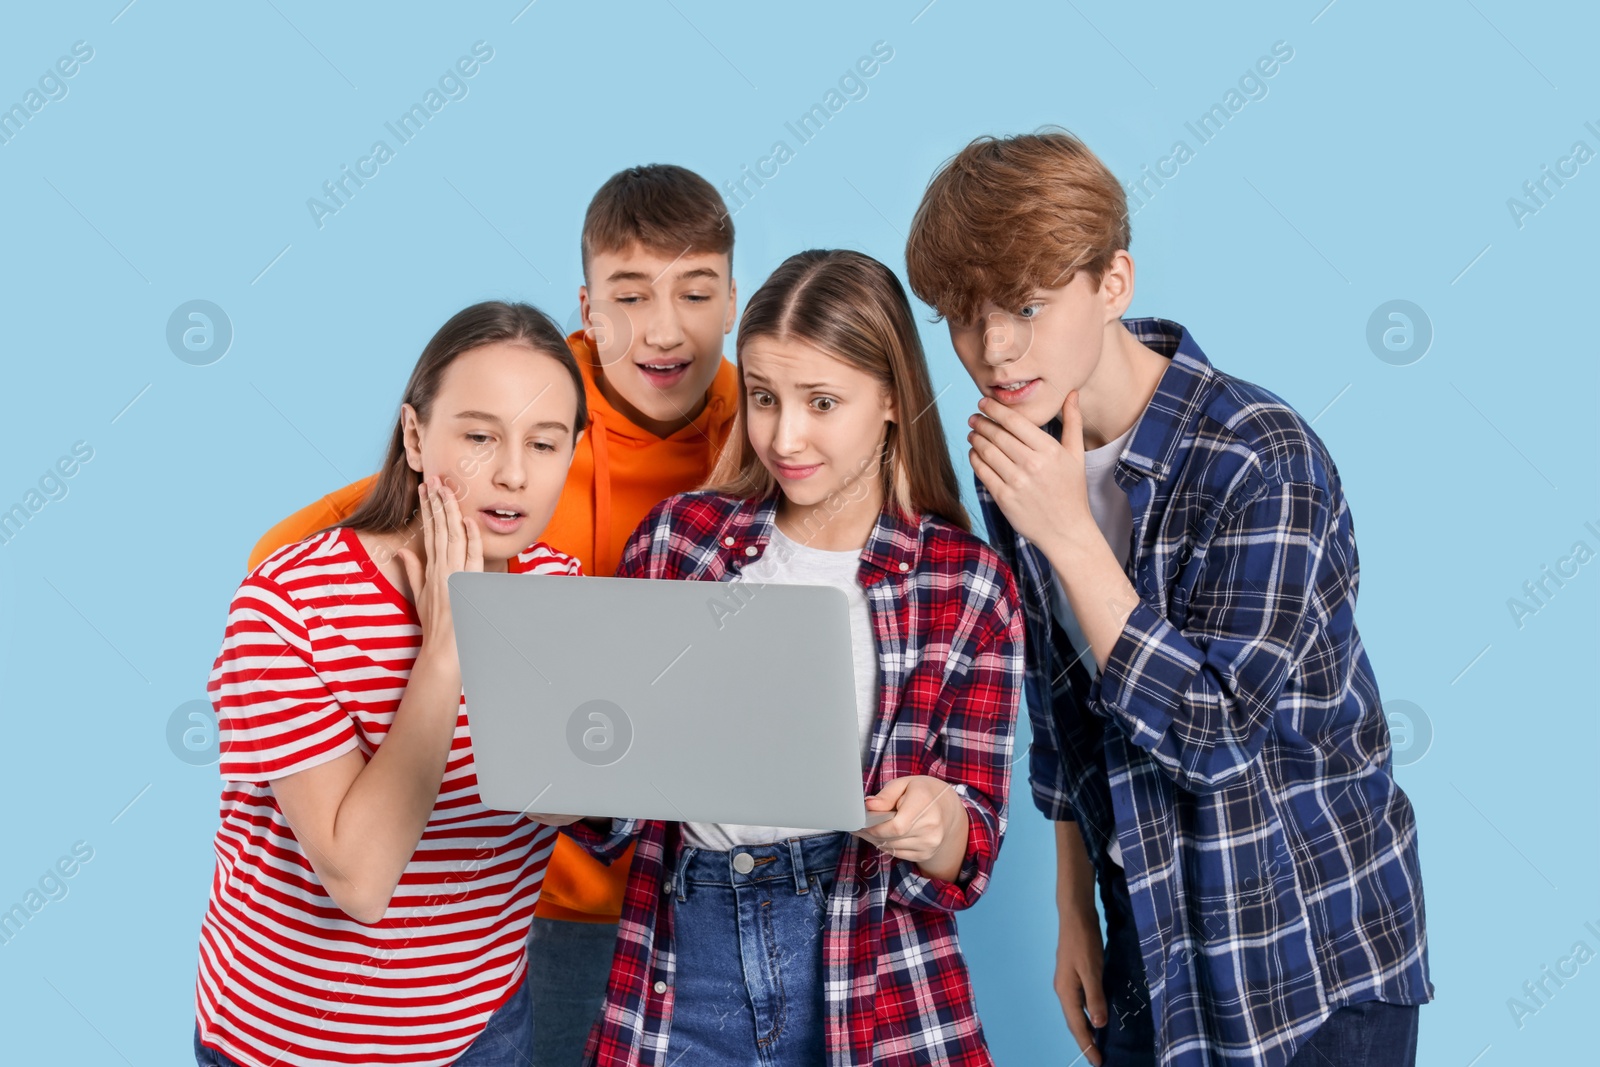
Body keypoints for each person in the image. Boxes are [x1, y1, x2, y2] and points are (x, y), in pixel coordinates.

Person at [904, 130, 1432, 1067]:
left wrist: (1067, 530)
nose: (992, 348)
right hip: (1149, 929)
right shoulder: (1019, 448)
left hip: (1309, 947)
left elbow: (1215, 735)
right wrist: (1073, 912)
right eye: (965, 314)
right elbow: (1059, 708)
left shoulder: (1260, 456)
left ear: (1114, 284)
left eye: (1027, 305)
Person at [239, 164, 740, 1065]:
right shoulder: (531, 389)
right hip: (498, 932)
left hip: (583, 926)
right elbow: (359, 873)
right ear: (589, 306)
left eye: (696, 293)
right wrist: (388, 614)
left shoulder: (764, 430)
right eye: (631, 297)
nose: (515, 473)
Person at [566, 249, 1024, 1067]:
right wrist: (566, 782)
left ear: (890, 397)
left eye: (822, 402)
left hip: (876, 963)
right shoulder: (680, 544)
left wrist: (935, 821)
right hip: (684, 956)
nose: (784, 435)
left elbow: (975, 838)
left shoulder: (966, 584)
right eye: (765, 398)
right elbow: (617, 806)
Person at [193, 301, 593, 1067]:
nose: (513, 473)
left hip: (479, 1033)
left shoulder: (557, 590)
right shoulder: (285, 609)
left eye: (544, 444)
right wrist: (447, 644)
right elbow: (361, 878)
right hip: (286, 1046)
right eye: (479, 437)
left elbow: (560, 799)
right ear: (415, 437)